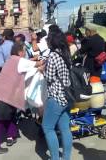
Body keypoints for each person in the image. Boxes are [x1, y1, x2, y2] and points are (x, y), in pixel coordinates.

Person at [0, 42, 45, 155]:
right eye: (24, 50)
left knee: (10, 115)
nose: (25, 52)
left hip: (1, 92)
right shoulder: (19, 61)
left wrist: (33, 60)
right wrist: (44, 61)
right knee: (0, 120)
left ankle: (11, 135)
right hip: (4, 94)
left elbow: (27, 64)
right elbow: (36, 64)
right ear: (20, 51)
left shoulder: (11, 59)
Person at [42, 29, 72, 160]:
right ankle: (66, 157)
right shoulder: (66, 53)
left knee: (47, 127)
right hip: (66, 97)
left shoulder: (53, 55)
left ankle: (54, 158)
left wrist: (43, 69)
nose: (47, 41)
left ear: (53, 41)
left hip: (56, 96)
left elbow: (48, 77)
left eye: (49, 39)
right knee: (65, 128)